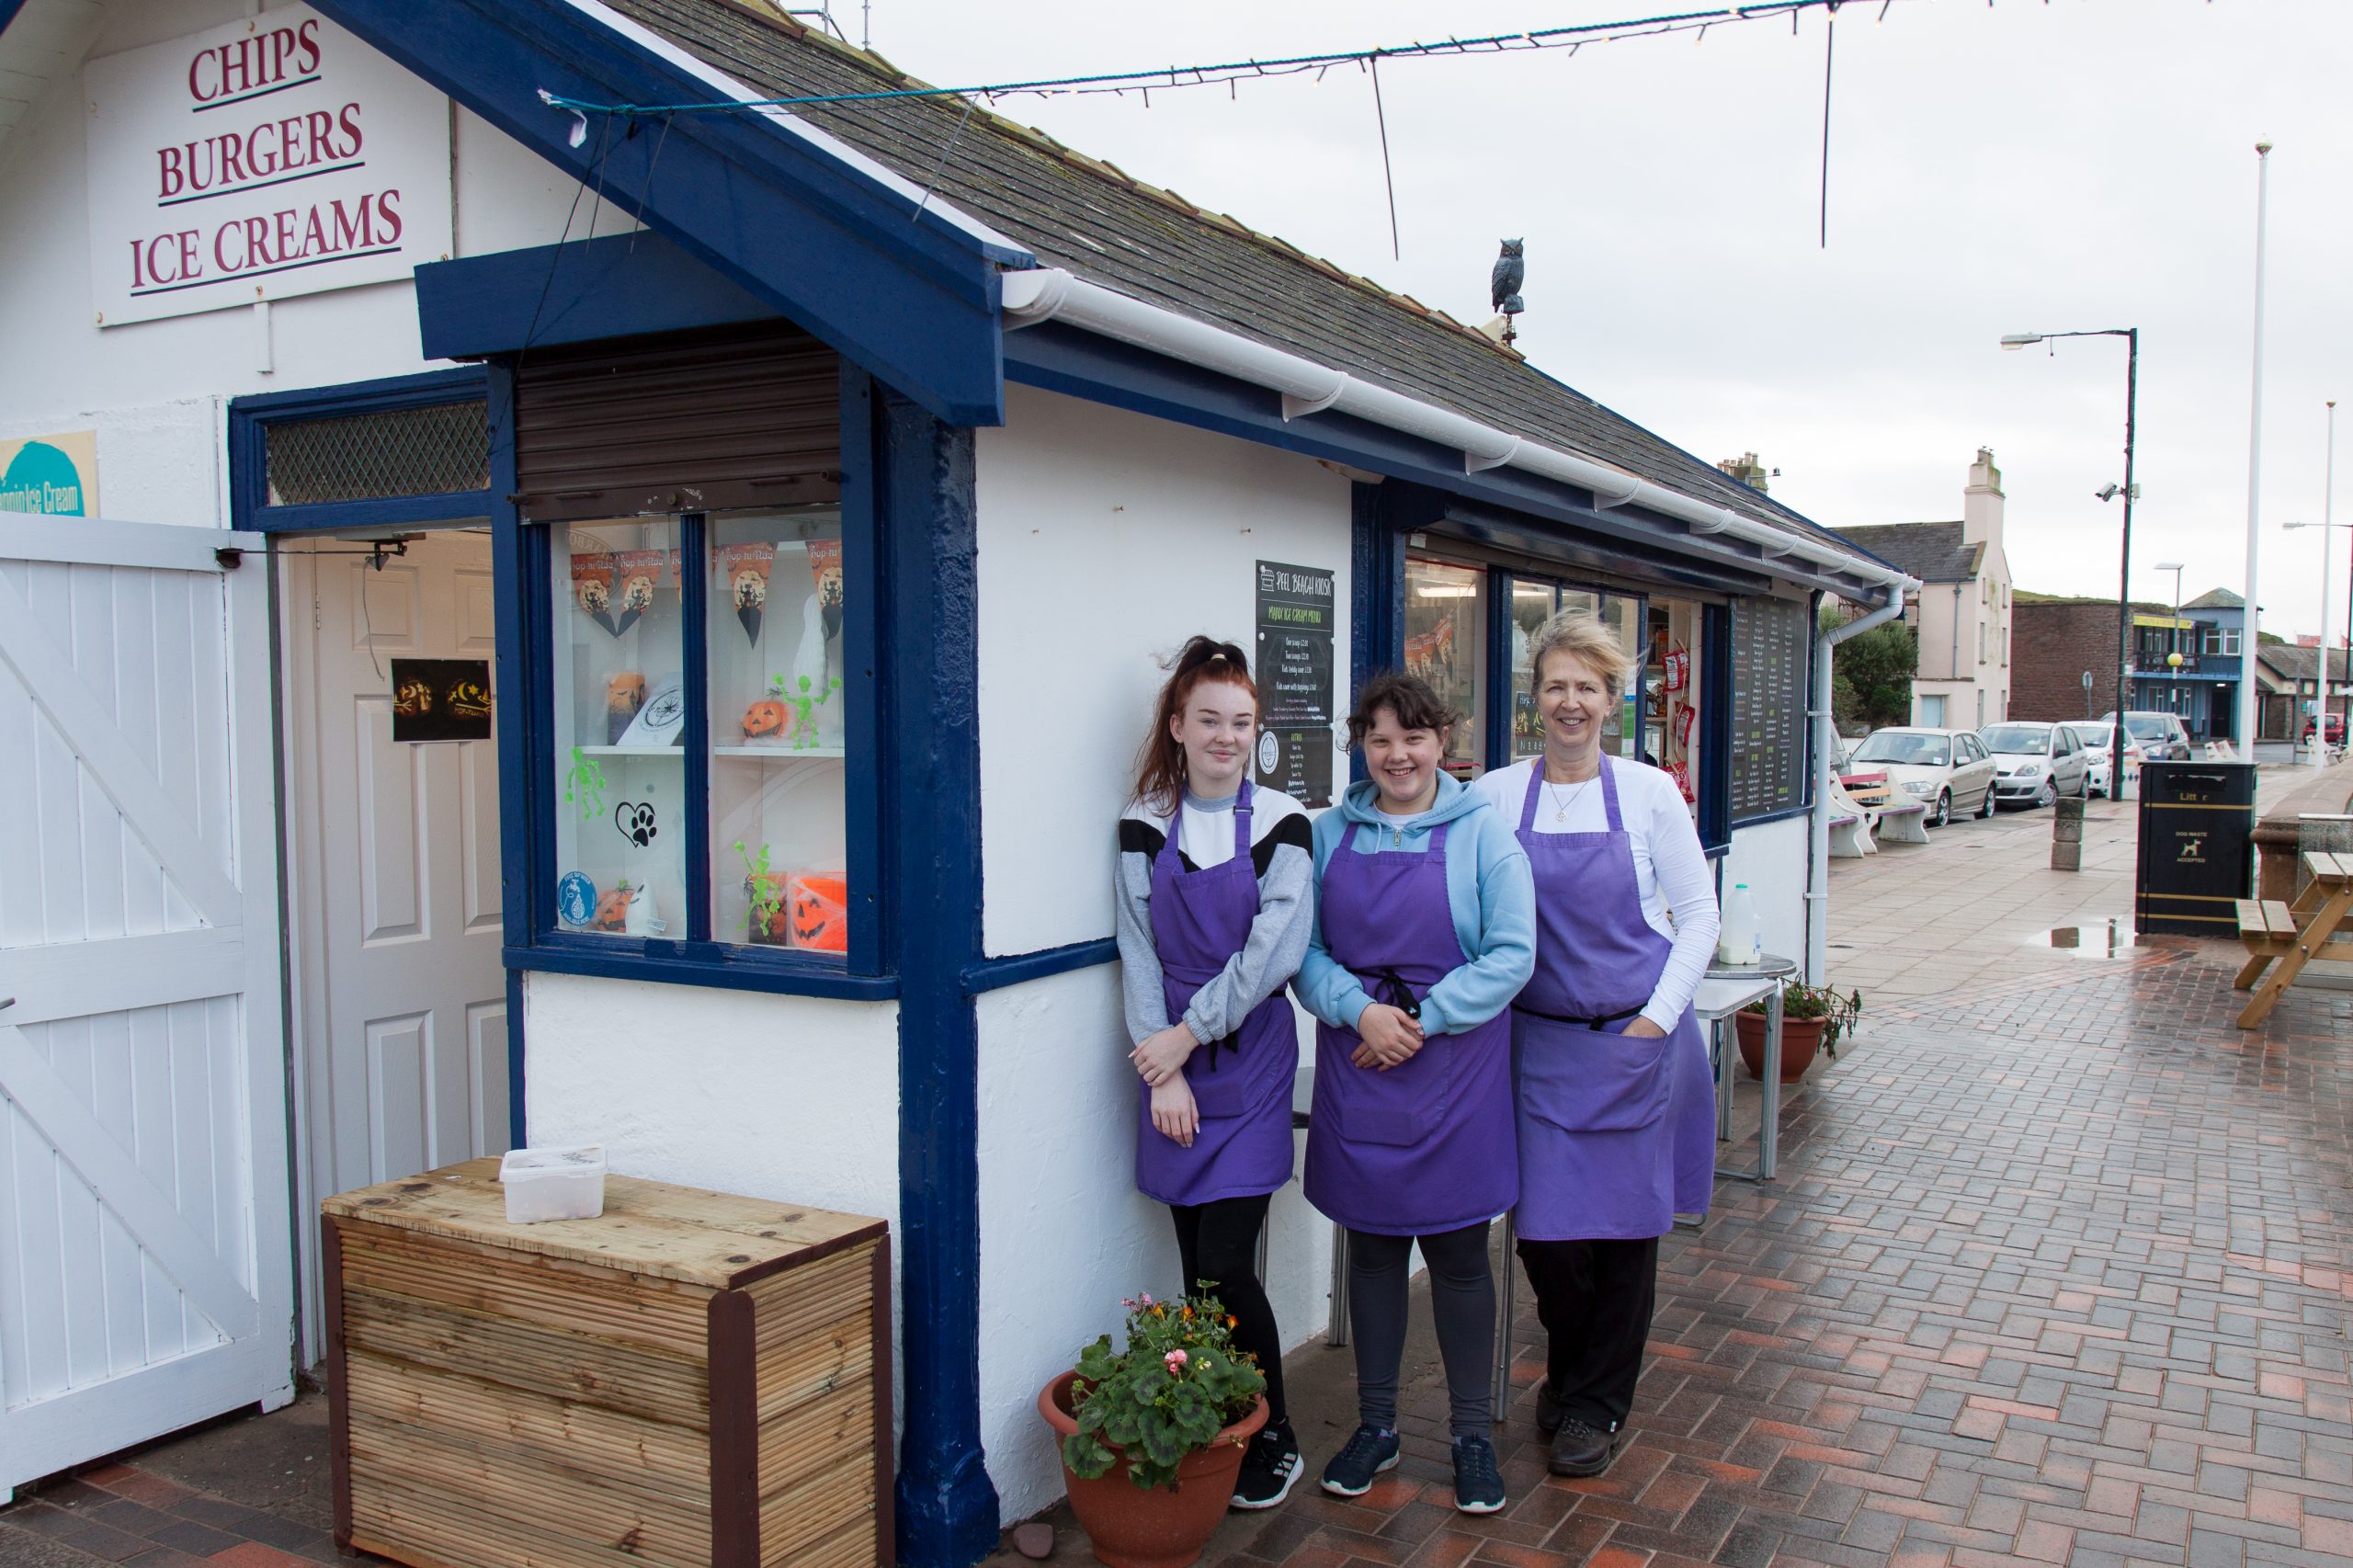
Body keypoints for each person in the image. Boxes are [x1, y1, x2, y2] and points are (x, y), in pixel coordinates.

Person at [1472, 609, 1721, 1479]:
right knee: (1547, 1237)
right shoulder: (1497, 796)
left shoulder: (1651, 795)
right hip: (1537, 1050)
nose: (1570, 702)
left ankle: (1594, 1405)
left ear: (1612, 701)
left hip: (1636, 1043)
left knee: (1623, 1242)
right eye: (1555, 686)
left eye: (1588, 686)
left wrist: (1654, 1020)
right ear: (1533, 700)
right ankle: (1575, 1370)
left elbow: (1698, 917)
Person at [1295, 672, 1535, 1516]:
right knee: (1371, 1252)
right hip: (1361, 1061)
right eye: (1380, 739)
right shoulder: (1328, 834)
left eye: (1414, 738)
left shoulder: (1485, 834)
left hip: (1453, 1067)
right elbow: (1305, 949)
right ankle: (1378, 1425)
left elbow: (1511, 955)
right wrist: (1361, 1012)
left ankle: (1472, 1436)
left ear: (1443, 742)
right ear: (1362, 745)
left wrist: (1422, 1022)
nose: (1397, 755)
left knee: (1462, 1259)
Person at [1114, 636, 1314, 1509]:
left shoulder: (1283, 821)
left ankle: (1275, 1436)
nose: (1226, 736)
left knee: (1228, 1262)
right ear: (1178, 726)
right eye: (1210, 720)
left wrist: (1186, 1041)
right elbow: (1137, 953)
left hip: (1249, 1061)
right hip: (1172, 1068)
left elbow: (1274, 955)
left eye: (1241, 721)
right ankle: (1219, 1423)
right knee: (1196, 1266)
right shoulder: (1143, 821)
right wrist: (1161, 1072)